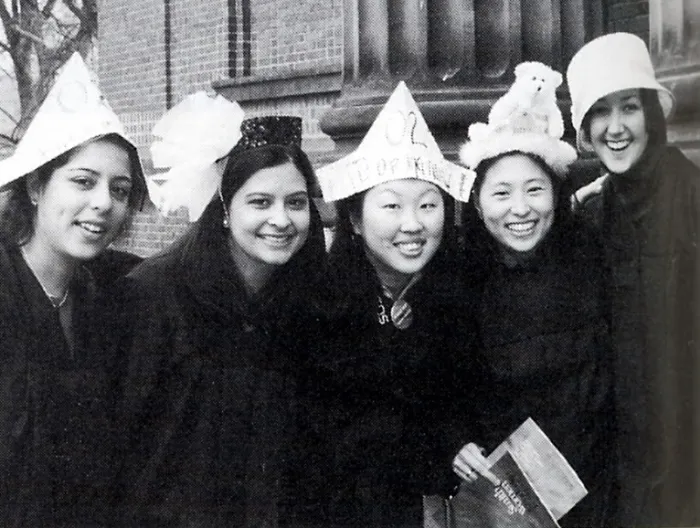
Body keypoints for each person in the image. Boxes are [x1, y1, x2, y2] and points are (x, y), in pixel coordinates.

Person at [106, 115, 327, 526]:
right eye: (260, 202)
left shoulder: (308, 297)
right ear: (224, 210)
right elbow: (122, 439)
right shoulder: (156, 294)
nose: (281, 219)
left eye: (295, 203)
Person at [451, 63, 615, 527]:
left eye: (534, 190)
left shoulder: (591, 261)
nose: (520, 209)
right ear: (477, 202)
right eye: (501, 193)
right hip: (507, 501)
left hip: (599, 489)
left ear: (556, 195)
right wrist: (454, 443)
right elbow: (440, 389)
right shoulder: (457, 282)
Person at [311, 81, 477, 528]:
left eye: (428, 205)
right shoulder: (320, 306)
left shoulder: (458, 299)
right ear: (355, 221)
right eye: (391, 206)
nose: (412, 225)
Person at [0, 53, 146, 526]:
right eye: (83, 181)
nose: (103, 203)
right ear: (37, 186)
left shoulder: (111, 294)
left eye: (120, 190)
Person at [567, 32, 700, 527]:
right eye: (600, 112)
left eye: (629, 108)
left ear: (652, 116)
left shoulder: (691, 198)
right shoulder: (591, 213)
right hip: (621, 455)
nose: (615, 128)